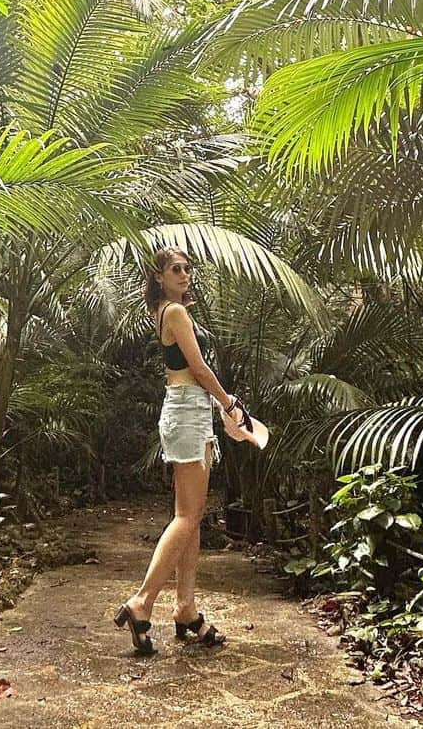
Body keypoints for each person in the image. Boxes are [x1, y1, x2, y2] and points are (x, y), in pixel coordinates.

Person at [113, 246, 254, 655]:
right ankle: (142, 602)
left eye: (187, 269)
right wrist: (230, 404)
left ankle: (186, 609)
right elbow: (199, 368)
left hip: (188, 409)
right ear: (159, 277)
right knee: (187, 517)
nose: (185, 274)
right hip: (188, 412)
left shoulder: (169, 310)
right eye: (176, 269)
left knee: (189, 517)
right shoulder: (174, 313)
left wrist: (215, 406)